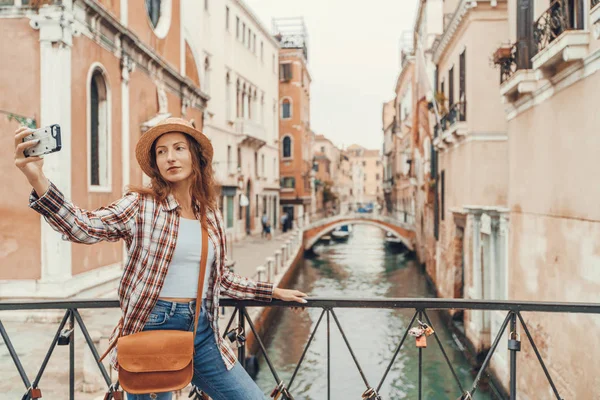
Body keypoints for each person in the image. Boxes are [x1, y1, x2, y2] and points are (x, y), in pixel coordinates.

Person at [13, 118, 308, 400]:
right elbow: (84, 228)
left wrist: (271, 292)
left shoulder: (212, 216)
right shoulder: (142, 206)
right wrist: (38, 178)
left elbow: (221, 281)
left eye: (179, 148)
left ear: (195, 158)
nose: (170, 157)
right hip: (152, 327)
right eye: (161, 151)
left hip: (202, 331)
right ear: (155, 164)